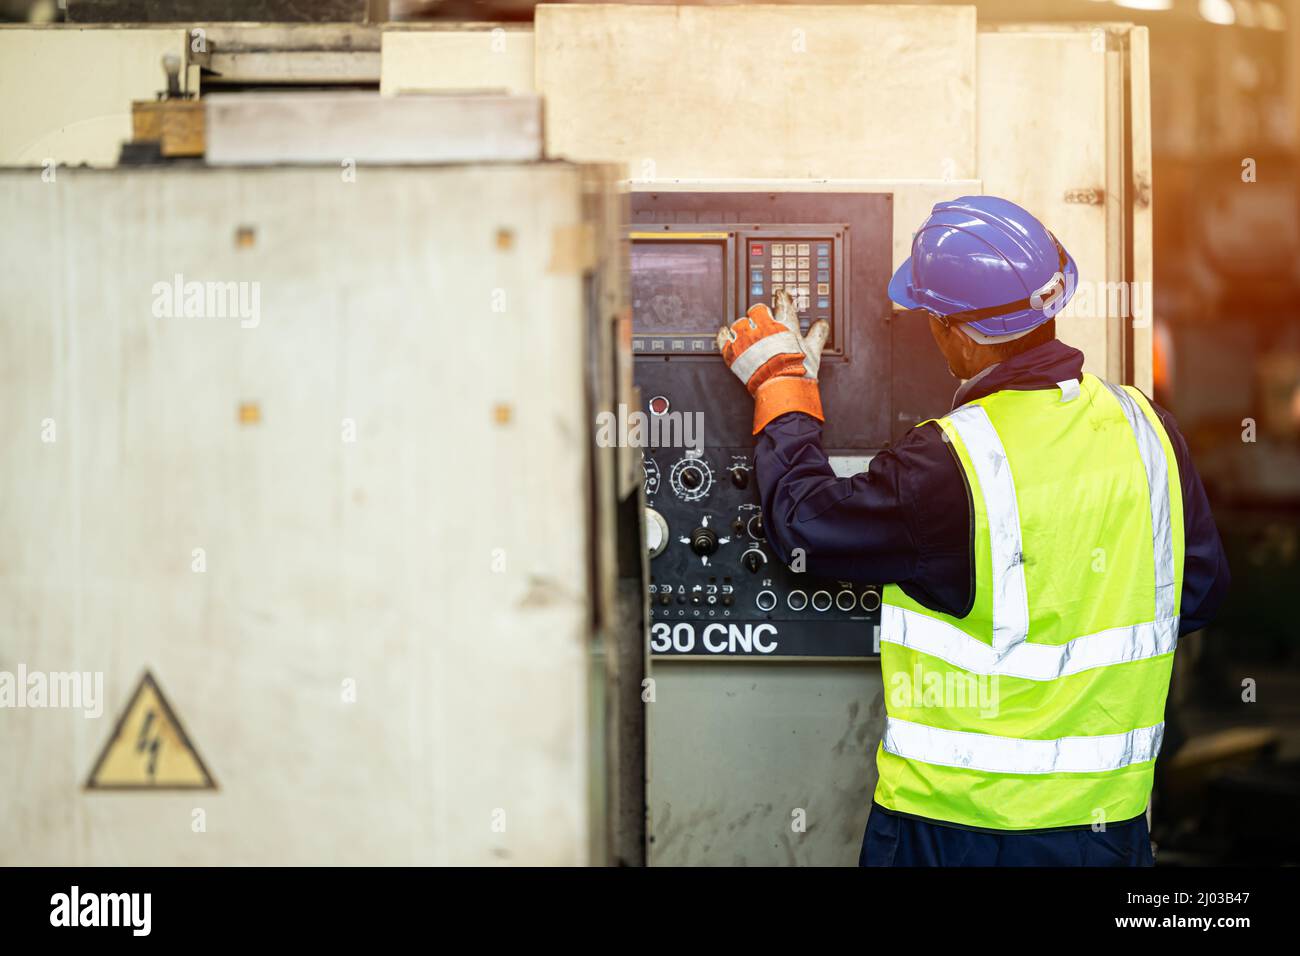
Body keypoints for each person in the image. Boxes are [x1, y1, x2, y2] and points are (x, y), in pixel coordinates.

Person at [716, 196, 1230, 867]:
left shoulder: (947, 461)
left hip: (956, 830)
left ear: (949, 331)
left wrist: (782, 387)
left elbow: (804, 525)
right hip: (1107, 830)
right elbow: (1196, 594)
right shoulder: (1146, 426)